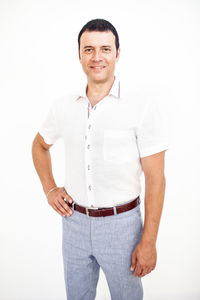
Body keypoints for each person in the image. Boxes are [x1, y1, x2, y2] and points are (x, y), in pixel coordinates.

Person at [32, 18, 169, 300]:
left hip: (122, 227)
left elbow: (156, 178)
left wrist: (149, 241)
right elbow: (39, 146)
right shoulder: (63, 107)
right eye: (89, 49)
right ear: (79, 54)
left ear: (118, 53)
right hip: (74, 223)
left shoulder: (141, 106)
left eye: (105, 49)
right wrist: (50, 188)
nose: (97, 57)